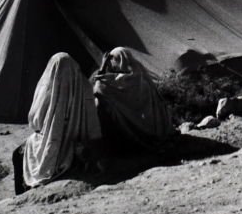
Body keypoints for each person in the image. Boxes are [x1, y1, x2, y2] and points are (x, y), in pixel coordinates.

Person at [13, 53, 102, 195]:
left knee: (18, 154)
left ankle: (21, 196)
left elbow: (35, 122)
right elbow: (93, 125)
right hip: (77, 146)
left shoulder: (49, 87)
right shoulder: (84, 86)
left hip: (53, 146)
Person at [91, 47, 173, 153]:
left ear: (118, 60)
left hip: (135, 135)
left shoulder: (119, 81)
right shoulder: (141, 76)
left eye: (111, 60)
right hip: (156, 131)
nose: (110, 64)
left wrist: (102, 68)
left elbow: (98, 89)